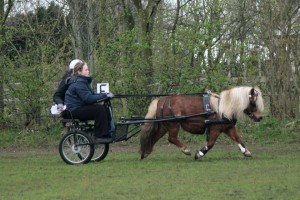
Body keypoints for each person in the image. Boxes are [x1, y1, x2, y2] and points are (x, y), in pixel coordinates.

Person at [64, 60, 114, 143]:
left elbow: (92, 95)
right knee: (99, 109)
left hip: (78, 107)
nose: (88, 71)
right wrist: (105, 95)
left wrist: (105, 95)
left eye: (88, 69)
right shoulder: (78, 83)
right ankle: (99, 136)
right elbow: (88, 99)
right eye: (86, 70)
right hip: (73, 110)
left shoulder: (82, 81)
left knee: (104, 108)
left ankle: (107, 132)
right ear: (79, 71)